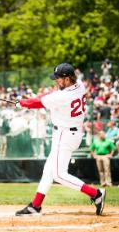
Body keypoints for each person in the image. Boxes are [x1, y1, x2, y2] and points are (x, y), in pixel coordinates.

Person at [14, 63, 106, 216]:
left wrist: (22, 103)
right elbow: (49, 97)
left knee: (58, 174)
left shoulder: (63, 96)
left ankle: (96, 194)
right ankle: (35, 206)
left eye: (59, 78)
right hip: (71, 133)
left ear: (68, 78)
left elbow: (40, 103)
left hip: (65, 135)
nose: (56, 81)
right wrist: (27, 102)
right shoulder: (80, 85)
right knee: (48, 171)